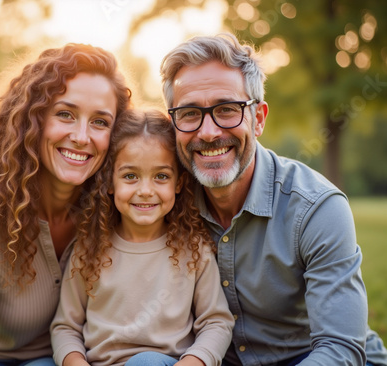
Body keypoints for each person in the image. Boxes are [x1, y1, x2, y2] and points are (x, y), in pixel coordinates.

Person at [160, 33, 387, 366]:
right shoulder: (162, 201)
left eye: (226, 110)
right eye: (190, 113)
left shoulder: (316, 207)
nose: (208, 133)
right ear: (173, 125)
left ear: (259, 118)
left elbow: (340, 350)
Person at [0, 43, 131, 366]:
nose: (81, 136)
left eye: (100, 122)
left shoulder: (118, 213)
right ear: (30, 121)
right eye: (65, 114)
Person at [51, 109, 235, 366]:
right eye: (130, 176)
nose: (146, 191)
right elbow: (65, 328)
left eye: (161, 176)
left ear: (179, 183)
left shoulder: (193, 250)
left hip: (163, 363)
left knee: (145, 362)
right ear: (110, 183)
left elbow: (217, 323)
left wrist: (193, 361)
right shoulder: (89, 249)